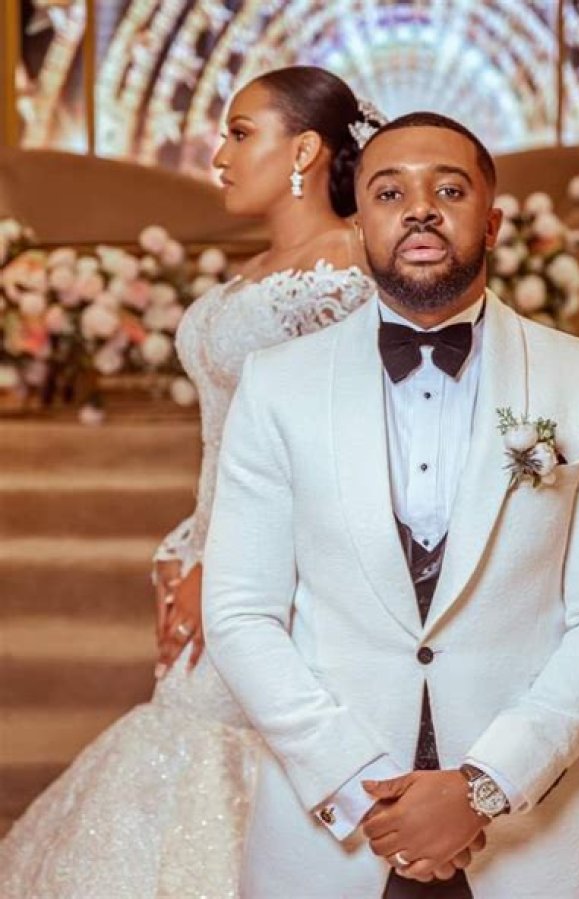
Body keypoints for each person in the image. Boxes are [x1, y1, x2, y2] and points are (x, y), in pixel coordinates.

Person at [203, 111, 579, 898]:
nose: (419, 209)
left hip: (533, 836)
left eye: (449, 190)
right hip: (333, 836)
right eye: (389, 192)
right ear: (359, 227)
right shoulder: (277, 386)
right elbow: (242, 612)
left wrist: (484, 786)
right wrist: (362, 787)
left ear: (493, 222)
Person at [0, 66, 384, 898]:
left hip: (286, 573)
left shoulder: (349, 273)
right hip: (211, 548)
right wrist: (186, 547)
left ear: (305, 151)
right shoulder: (258, 269)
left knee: (231, 740)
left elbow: (335, 453)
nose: (218, 155)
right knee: (193, 744)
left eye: (241, 133)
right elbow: (226, 442)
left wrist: (231, 565)